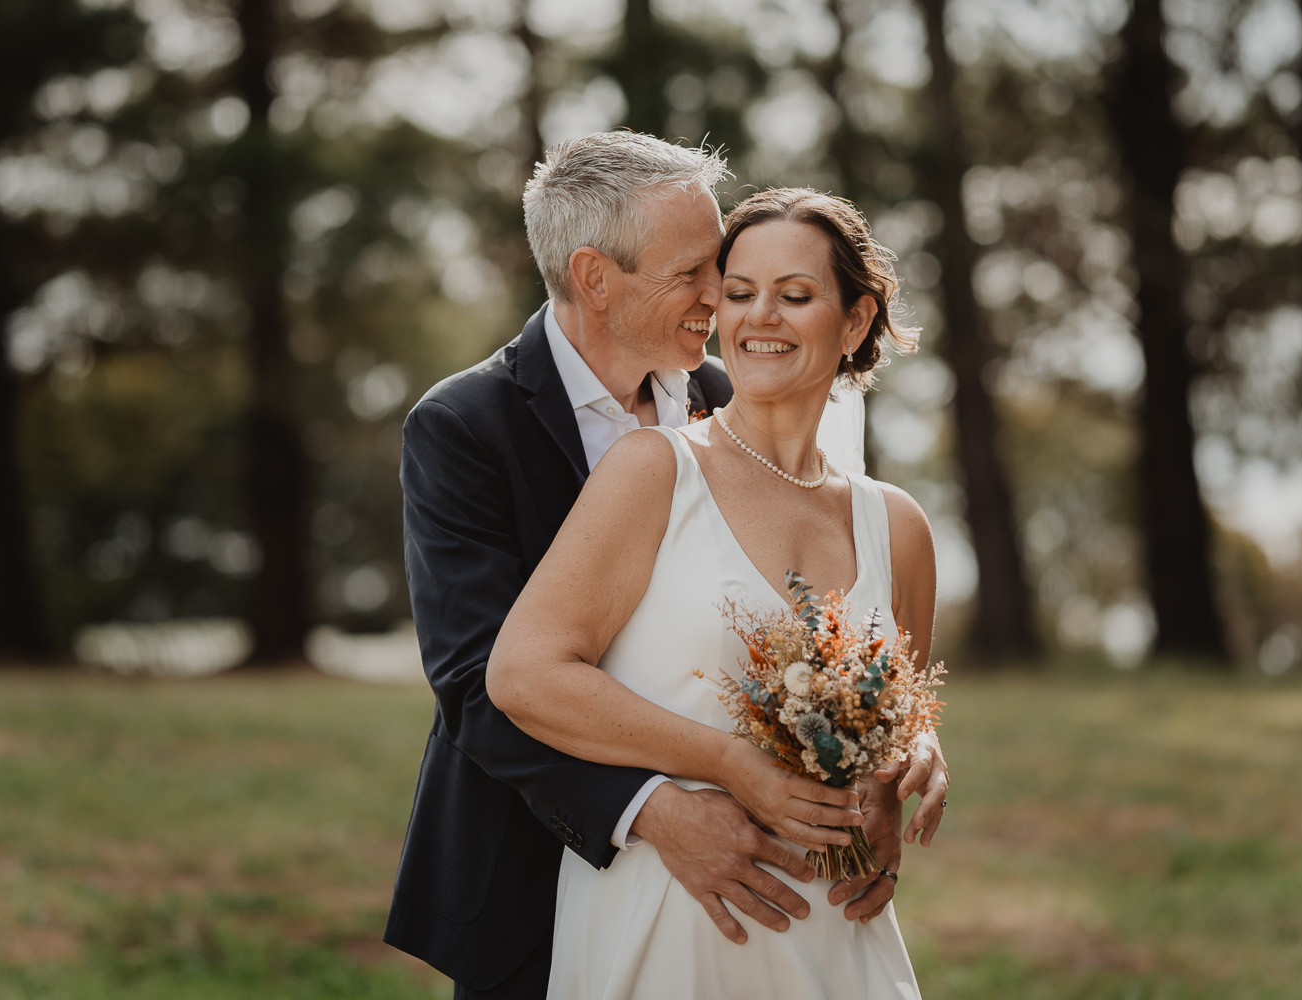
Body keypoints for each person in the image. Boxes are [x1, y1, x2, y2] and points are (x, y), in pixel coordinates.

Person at [385, 135, 902, 1000]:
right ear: (595, 276)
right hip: (529, 862)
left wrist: (891, 757)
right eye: (696, 270)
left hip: (750, 885)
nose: (722, 296)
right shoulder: (466, 426)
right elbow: (479, 682)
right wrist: (654, 812)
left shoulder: (732, 400)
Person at [488, 187, 949, 998]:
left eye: (795, 296)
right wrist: (732, 767)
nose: (757, 316)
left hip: (839, 932)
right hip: (676, 915)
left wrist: (907, 765)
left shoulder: (898, 526)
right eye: (739, 293)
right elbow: (524, 675)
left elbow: (893, 715)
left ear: (854, 321)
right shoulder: (654, 471)